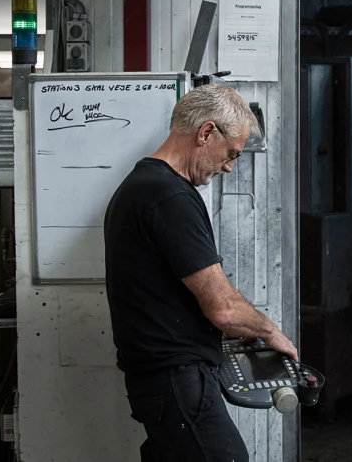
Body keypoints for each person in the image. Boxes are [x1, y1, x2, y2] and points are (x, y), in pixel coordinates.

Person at [104, 84, 298, 462]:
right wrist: (270, 331)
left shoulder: (142, 186)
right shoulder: (169, 196)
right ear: (207, 132)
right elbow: (222, 308)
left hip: (159, 380)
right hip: (175, 379)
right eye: (231, 154)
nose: (228, 166)